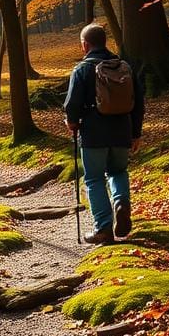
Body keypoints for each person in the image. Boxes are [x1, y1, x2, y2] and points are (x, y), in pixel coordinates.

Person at [63, 23, 144, 245]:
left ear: (85, 45)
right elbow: (138, 103)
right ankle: (121, 203)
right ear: (104, 42)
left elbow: (71, 104)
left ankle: (103, 229)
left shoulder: (82, 69)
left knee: (94, 178)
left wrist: (71, 122)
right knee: (118, 171)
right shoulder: (124, 66)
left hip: (93, 134)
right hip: (122, 131)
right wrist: (136, 133)